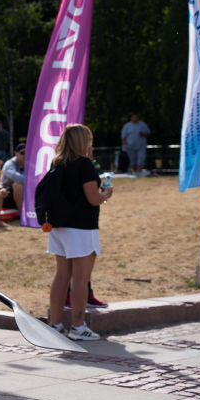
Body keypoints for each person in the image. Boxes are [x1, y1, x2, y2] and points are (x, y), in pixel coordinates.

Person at [46, 124, 113, 341]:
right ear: (84, 142)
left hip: (59, 226)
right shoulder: (84, 164)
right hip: (82, 227)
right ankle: (78, 327)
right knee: (81, 278)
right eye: (90, 140)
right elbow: (93, 198)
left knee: (62, 276)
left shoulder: (57, 163)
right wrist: (106, 194)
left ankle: (55, 324)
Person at [0, 143, 25, 212]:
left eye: (26, 153)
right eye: (22, 153)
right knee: (18, 185)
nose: (25, 155)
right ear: (15, 153)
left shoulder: (28, 164)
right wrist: (31, 181)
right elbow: (16, 177)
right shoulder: (9, 164)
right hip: (6, 195)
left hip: (22, 195)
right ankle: (22, 214)